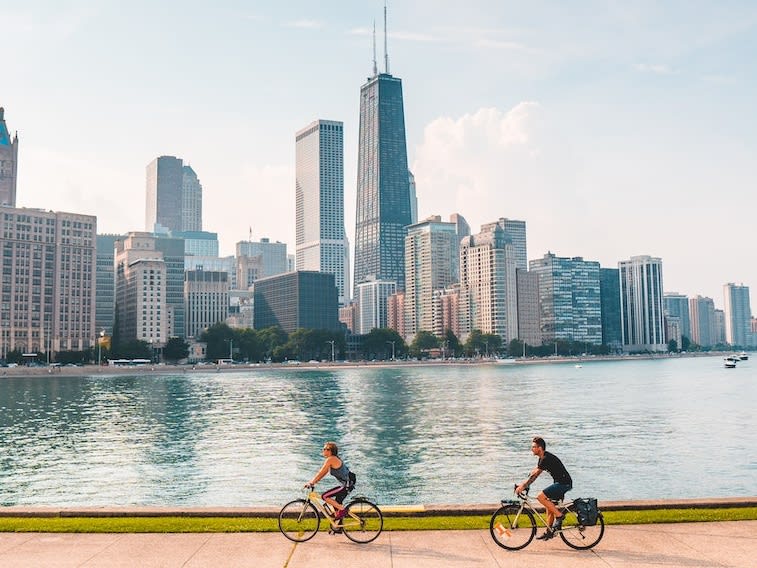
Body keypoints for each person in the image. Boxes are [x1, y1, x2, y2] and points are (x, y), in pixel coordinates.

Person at [515, 436, 573, 540]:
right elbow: (534, 473)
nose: (531, 449)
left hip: (564, 484)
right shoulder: (542, 458)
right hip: (561, 483)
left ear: (540, 448)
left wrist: (523, 486)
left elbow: (535, 475)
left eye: (533, 447)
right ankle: (549, 531)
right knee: (549, 506)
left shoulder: (545, 459)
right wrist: (523, 484)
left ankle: (559, 516)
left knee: (540, 497)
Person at [305, 441, 352, 526]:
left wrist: (311, 482)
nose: (323, 451)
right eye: (323, 449)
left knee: (325, 496)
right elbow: (323, 473)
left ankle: (343, 510)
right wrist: (314, 482)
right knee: (336, 504)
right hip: (347, 484)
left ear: (330, 451)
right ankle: (338, 526)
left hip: (347, 485)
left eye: (325, 449)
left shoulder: (331, 459)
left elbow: (321, 472)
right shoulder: (333, 459)